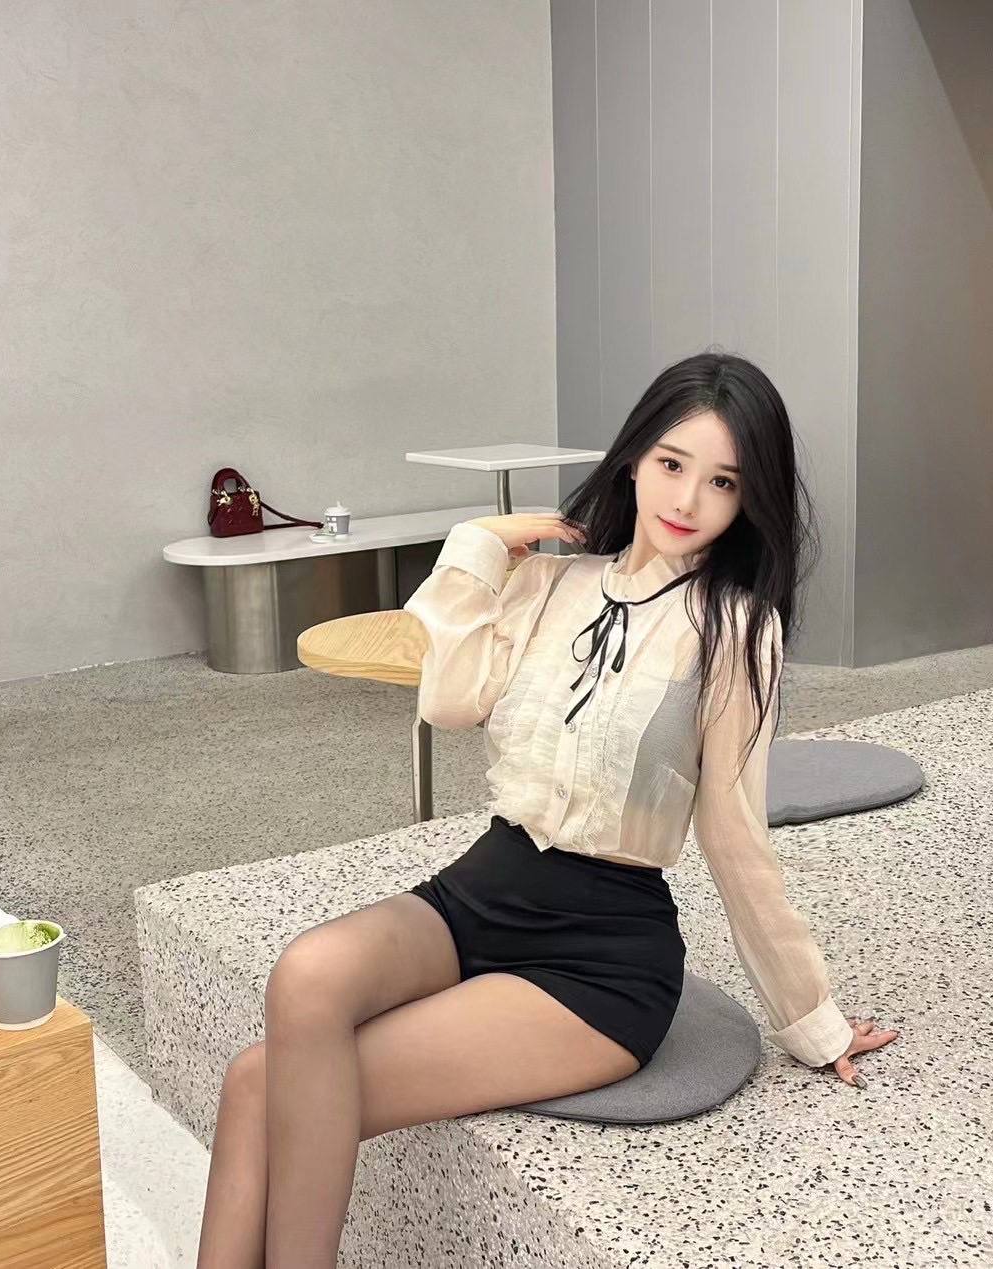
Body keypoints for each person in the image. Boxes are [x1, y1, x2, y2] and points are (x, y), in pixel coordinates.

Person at [196, 350, 900, 1267]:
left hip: (600, 958)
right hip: (481, 890)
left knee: (263, 1084)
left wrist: (814, 1021)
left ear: (748, 498)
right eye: (673, 463)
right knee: (301, 982)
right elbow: (449, 702)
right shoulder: (550, 585)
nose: (688, 498)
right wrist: (477, 549)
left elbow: (735, 837)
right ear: (635, 458)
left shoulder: (734, 627)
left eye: (724, 481)